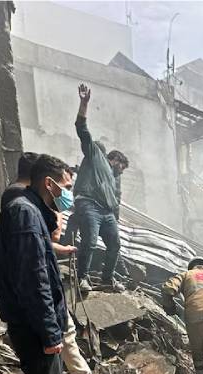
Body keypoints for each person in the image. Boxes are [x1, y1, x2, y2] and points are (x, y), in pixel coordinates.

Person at [0, 154, 84, 374]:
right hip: (33, 325)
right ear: (49, 183)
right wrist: (51, 332)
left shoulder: (29, 211)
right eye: (66, 185)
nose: (67, 193)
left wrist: (52, 246)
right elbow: (34, 280)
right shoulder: (25, 213)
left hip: (35, 321)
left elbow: (34, 256)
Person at [73, 83, 129, 293]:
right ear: (113, 159)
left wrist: (115, 215)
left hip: (105, 212)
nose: (120, 173)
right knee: (89, 241)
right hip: (88, 204)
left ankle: (107, 279)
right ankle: (82, 278)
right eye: (120, 167)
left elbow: (116, 202)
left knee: (114, 244)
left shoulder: (113, 181)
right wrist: (84, 103)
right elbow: (82, 129)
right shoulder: (97, 155)